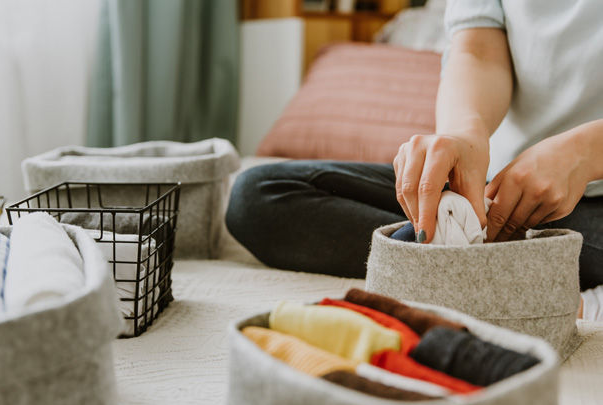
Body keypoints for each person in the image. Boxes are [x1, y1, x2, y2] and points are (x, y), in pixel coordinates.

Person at [225, 1, 603, 314]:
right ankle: (494, 277)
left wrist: (584, 152)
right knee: (259, 196)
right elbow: (478, 52)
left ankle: (451, 273)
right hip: (498, 193)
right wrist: (462, 134)